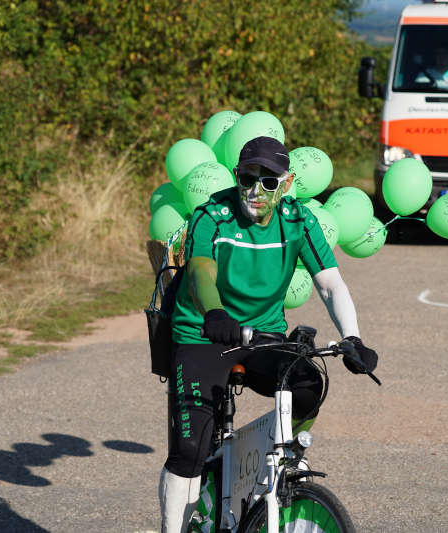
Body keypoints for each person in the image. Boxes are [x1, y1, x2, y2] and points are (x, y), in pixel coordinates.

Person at [158, 136, 379, 533]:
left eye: (269, 182)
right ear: (235, 176)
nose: (255, 191)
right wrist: (214, 312)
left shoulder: (298, 221)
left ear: (288, 183)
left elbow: (329, 284)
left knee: (309, 383)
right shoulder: (212, 216)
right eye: (247, 178)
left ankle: (283, 459)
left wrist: (353, 338)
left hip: (263, 335)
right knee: (189, 451)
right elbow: (200, 271)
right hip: (203, 333)